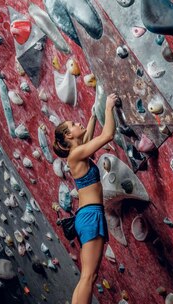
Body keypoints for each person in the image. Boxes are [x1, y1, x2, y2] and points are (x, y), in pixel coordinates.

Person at [53, 93, 119, 304]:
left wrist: (92, 116)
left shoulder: (79, 154)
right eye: (72, 124)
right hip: (90, 216)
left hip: (89, 215)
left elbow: (89, 139)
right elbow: (107, 135)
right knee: (88, 277)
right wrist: (108, 107)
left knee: (90, 276)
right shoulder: (75, 156)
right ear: (68, 136)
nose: (77, 123)